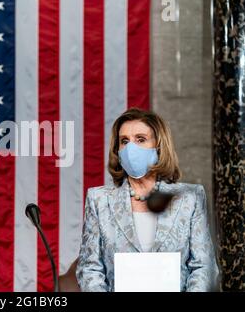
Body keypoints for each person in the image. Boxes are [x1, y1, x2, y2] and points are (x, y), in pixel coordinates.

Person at [76, 108, 219, 292]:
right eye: (124, 141)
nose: (130, 148)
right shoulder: (98, 199)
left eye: (140, 139)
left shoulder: (189, 198)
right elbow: (89, 268)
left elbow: (204, 266)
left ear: (159, 146)